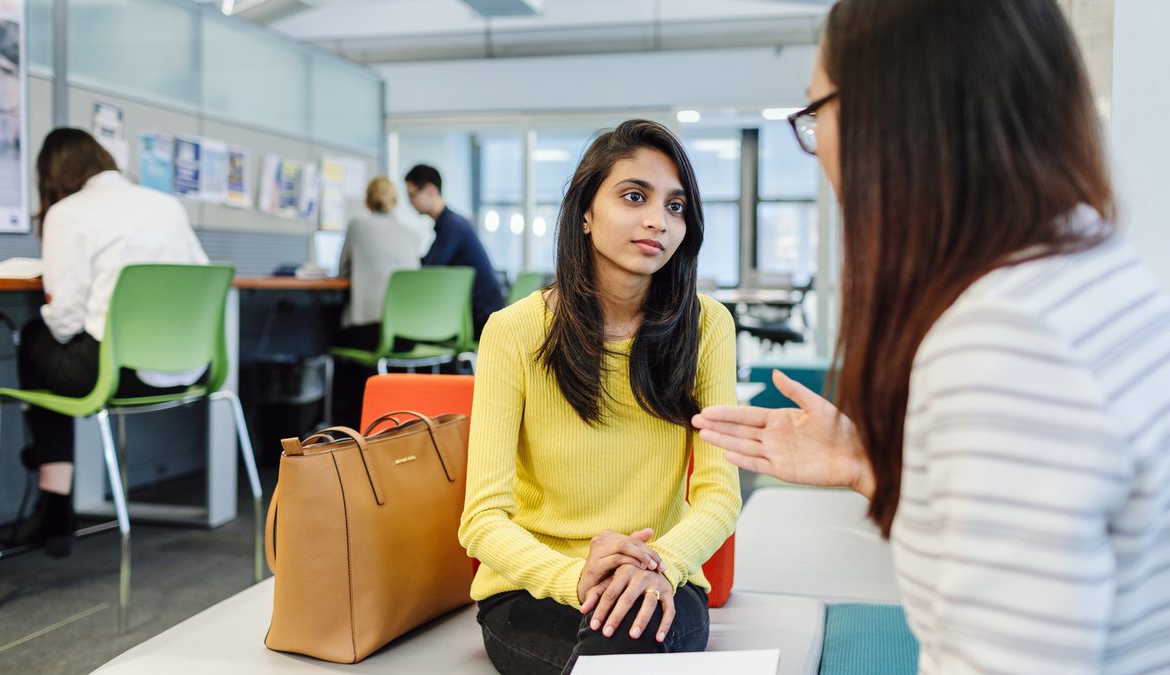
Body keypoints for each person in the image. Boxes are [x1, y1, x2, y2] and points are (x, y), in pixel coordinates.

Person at [692, 1, 1170, 672]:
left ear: (892, 116)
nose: (819, 144)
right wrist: (869, 462)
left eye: (816, 113)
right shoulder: (1080, 269)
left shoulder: (1005, 338)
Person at [460, 119, 741, 675]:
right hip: (534, 586)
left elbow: (719, 496)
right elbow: (482, 518)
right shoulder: (513, 331)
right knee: (617, 647)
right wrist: (575, 577)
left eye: (677, 206)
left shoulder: (707, 326)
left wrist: (659, 563)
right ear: (585, 213)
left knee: (627, 634)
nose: (658, 220)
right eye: (634, 196)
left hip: (662, 577)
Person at [8, 128, 209, 557]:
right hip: (189, 367)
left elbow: (63, 323)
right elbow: (203, 277)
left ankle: (55, 503)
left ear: (52, 173)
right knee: (54, 343)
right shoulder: (167, 205)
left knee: (34, 338)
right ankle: (55, 507)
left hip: (118, 374)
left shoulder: (68, 212)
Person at [330, 175, 420, 423]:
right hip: (406, 337)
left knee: (333, 340)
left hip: (371, 334)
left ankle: (343, 424)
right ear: (395, 202)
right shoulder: (412, 234)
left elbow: (342, 271)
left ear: (367, 202)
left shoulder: (357, 226)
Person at [404, 164, 504, 337]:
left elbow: (428, 273)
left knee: (410, 329)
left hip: (480, 320)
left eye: (412, 195)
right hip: (482, 314)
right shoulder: (454, 223)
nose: (410, 202)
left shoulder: (452, 226)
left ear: (430, 190)